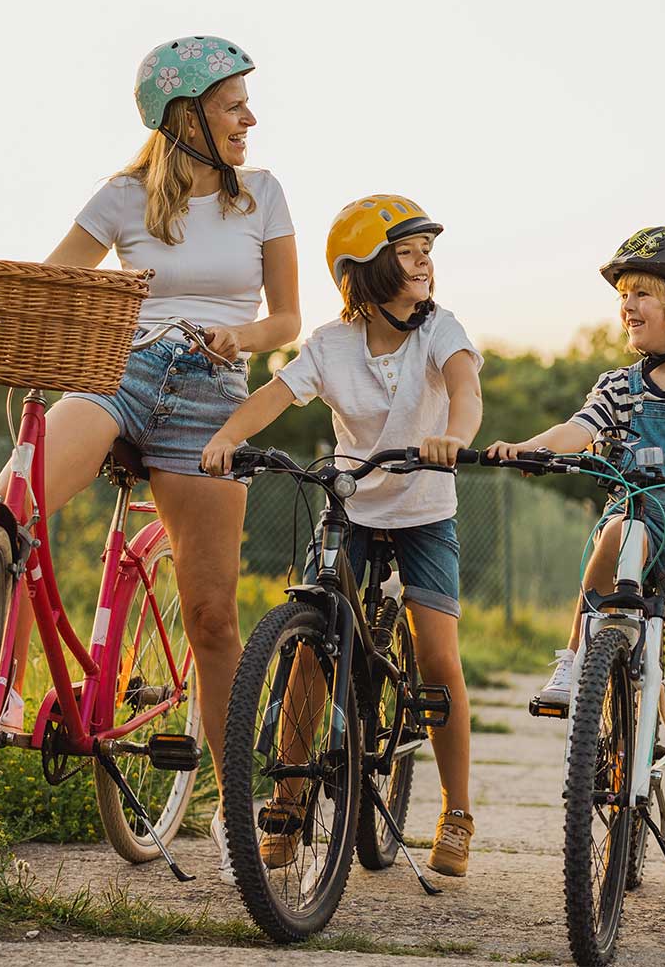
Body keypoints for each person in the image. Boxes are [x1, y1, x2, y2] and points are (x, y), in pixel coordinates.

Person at [0, 35, 300, 883]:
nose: (250, 117)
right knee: (12, 501)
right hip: (118, 372)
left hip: (211, 392)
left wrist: (243, 334)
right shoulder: (125, 197)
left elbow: (286, 322)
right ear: (186, 113)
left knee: (211, 617)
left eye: (247, 103)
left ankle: (236, 812)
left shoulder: (263, 195)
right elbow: (54, 281)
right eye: (234, 103)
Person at [487, 227, 665, 921]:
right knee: (620, 523)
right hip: (636, 535)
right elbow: (579, 428)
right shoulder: (618, 385)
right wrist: (527, 448)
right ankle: (578, 656)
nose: (628, 307)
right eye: (624, 296)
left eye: (642, 293)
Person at [202, 194, 483, 877]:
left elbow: (465, 386)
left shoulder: (439, 330)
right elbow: (275, 394)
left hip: (423, 507)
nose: (425, 264)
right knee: (310, 651)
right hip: (352, 503)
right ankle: (289, 798)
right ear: (367, 270)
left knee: (438, 657)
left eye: (428, 253)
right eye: (410, 253)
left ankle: (457, 809)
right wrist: (227, 436)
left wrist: (454, 437)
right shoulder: (331, 344)